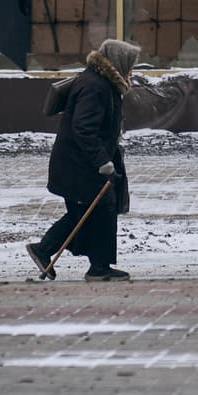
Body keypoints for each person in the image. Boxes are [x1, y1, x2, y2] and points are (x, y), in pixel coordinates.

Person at [26, 38, 138, 283]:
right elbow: (84, 128)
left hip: (80, 162)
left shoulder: (102, 82)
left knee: (92, 212)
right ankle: (53, 253)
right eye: (129, 65)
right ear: (117, 63)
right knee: (94, 211)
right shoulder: (95, 86)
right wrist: (102, 161)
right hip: (79, 165)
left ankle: (96, 265)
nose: (131, 71)